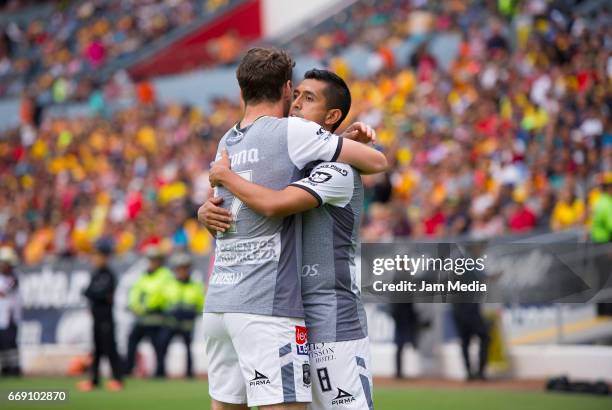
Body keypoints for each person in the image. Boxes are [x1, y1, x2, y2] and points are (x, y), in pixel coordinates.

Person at [198, 48, 386, 410]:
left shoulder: (338, 169)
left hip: (331, 317)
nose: (297, 104)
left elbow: (275, 202)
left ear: (330, 116)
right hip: (285, 307)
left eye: (308, 98)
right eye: (296, 94)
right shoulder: (290, 148)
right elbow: (241, 213)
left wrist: (226, 178)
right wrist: (206, 211)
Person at [77, 238, 124, 392]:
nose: (95, 259)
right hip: (96, 317)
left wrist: (92, 293)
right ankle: (94, 380)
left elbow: (97, 293)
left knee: (110, 348)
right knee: (96, 350)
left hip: (106, 318)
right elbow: (90, 292)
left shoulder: (108, 275)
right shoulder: (96, 274)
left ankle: (117, 379)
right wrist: (92, 293)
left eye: (98, 256)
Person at [125, 245, 173, 378]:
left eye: (154, 259)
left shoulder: (165, 275)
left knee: (158, 346)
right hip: (143, 316)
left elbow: (159, 294)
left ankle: (160, 372)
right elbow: (135, 291)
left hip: (156, 316)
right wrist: (135, 305)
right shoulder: (144, 275)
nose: (152, 262)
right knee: (132, 340)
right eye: (150, 259)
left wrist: (144, 306)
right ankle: (128, 369)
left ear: (160, 261)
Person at [158, 253, 204, 378]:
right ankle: (159, 373)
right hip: (171, 323)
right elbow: (162, 302)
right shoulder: (169, 284)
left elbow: (201, 304)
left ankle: (189, 373)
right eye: (179, 268)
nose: (182, 271)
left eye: (184, 268)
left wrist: (192, 312)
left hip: (187, 324)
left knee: (188, 349)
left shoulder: (195, 286)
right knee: (162, 346)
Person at [0, 246, 21, 376]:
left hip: (10, 317)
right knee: (2, 345)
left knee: (10, 344)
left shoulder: (14, 278)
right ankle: (5, 368)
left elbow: (6, 291)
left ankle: (14, 369)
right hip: (1, 317)